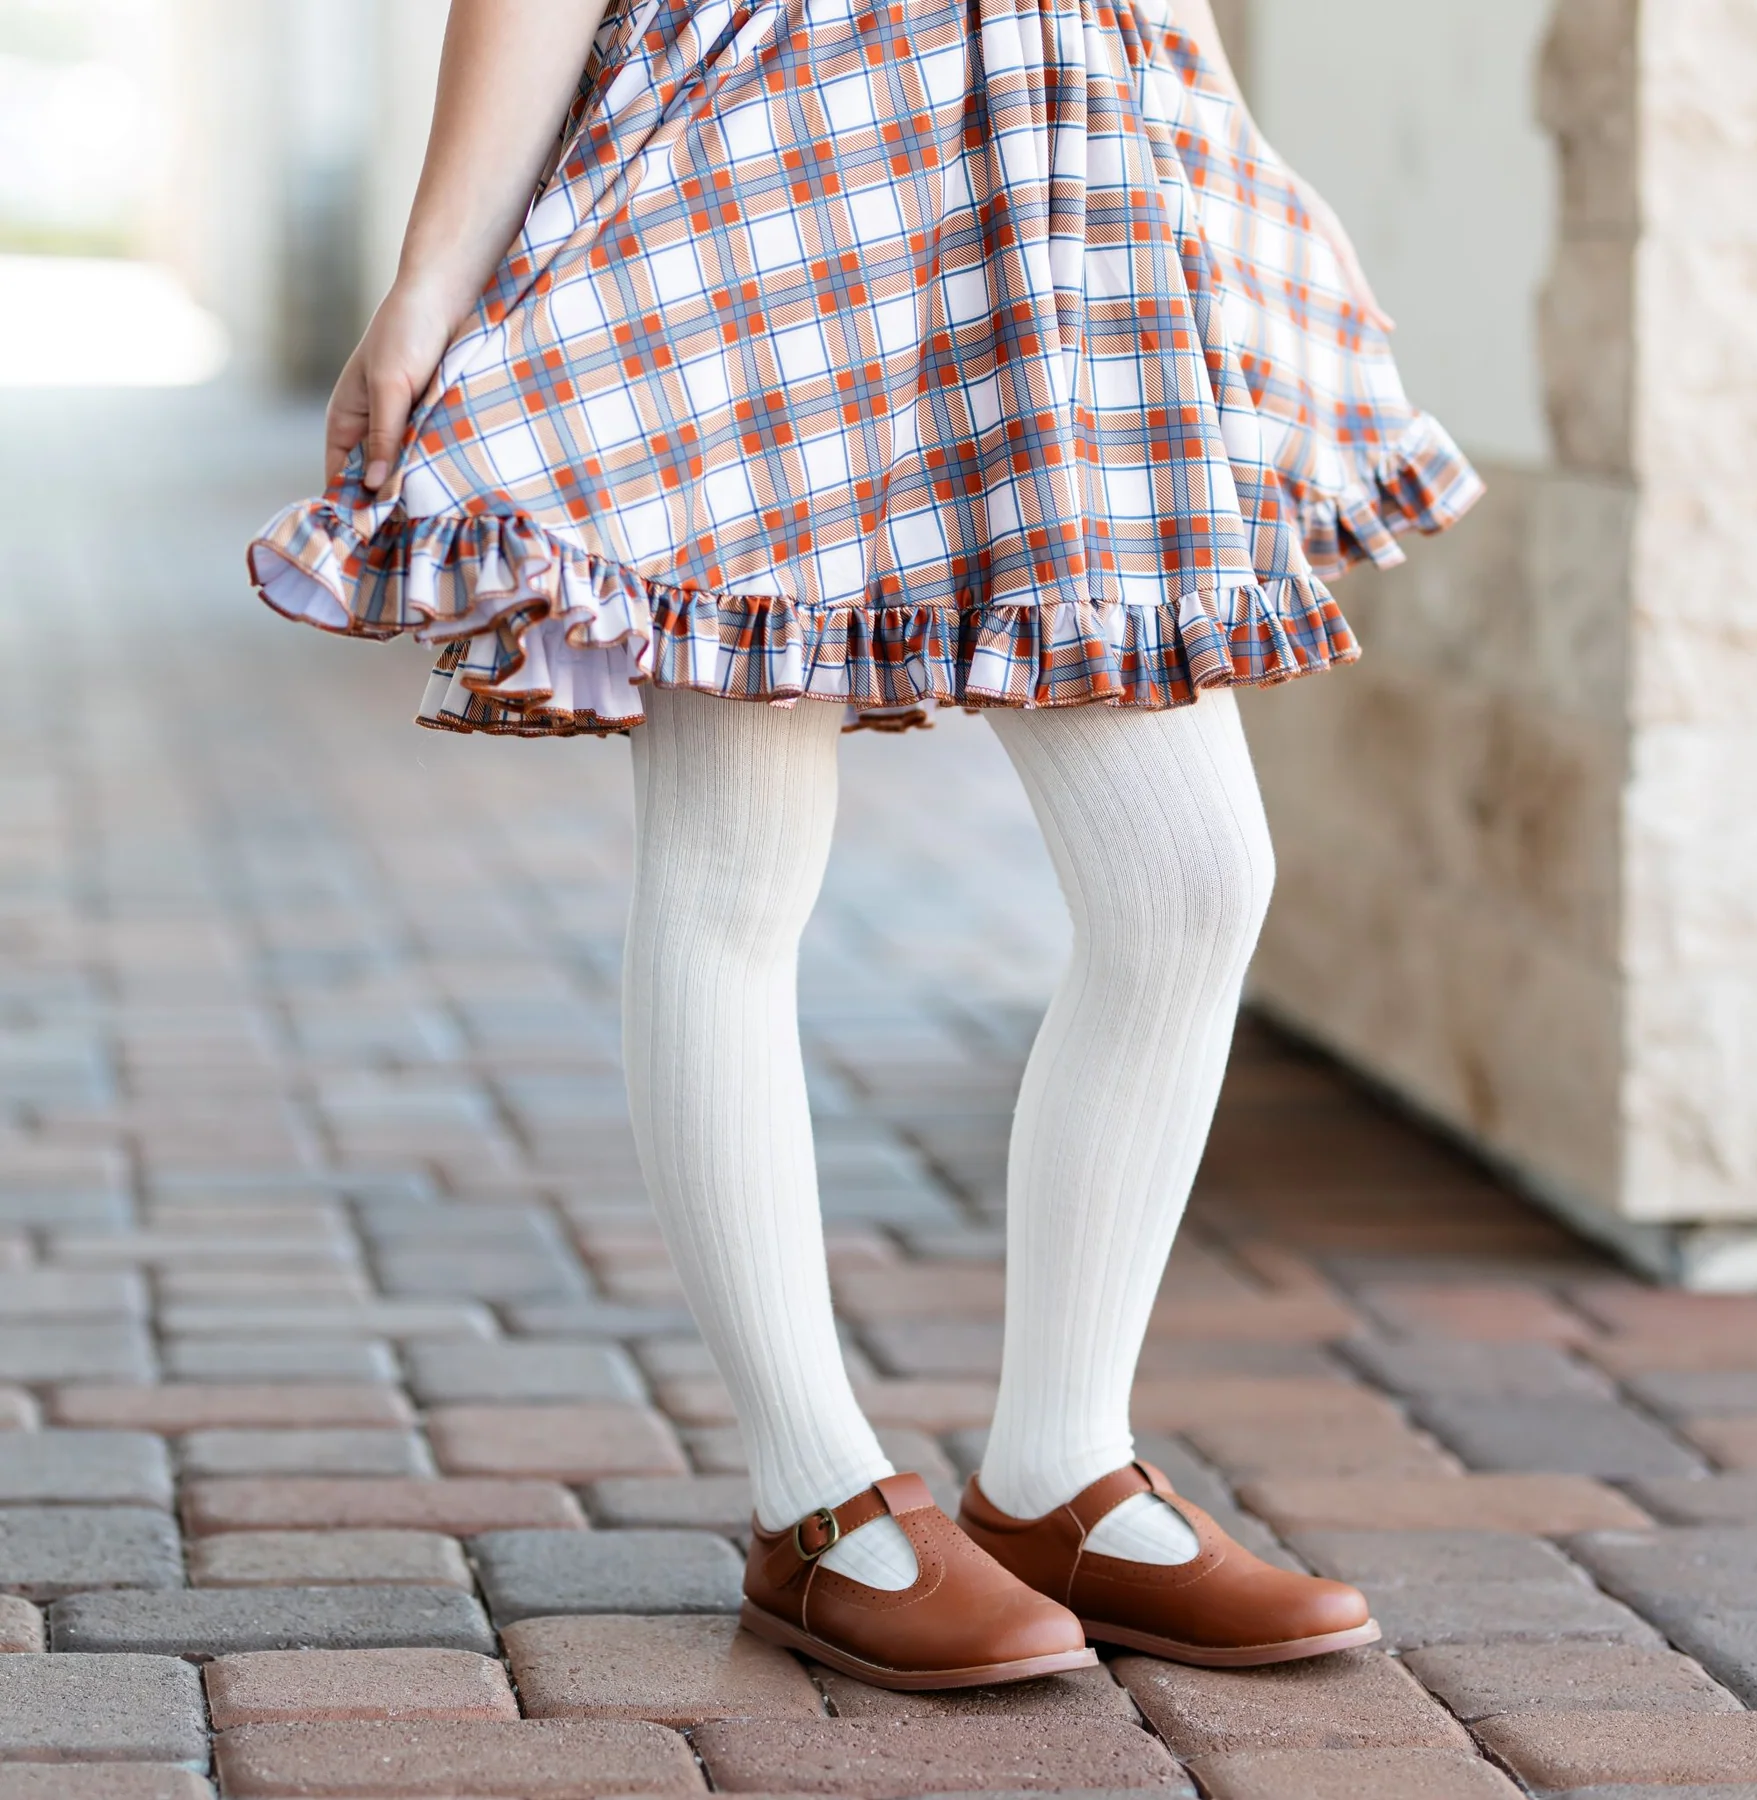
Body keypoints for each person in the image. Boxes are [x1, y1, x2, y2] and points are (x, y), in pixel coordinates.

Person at [250, 0, 1481, 1690]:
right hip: (770, 138)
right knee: (738, 862)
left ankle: (1060, 1470)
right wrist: (432, 274)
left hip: (1069, 150)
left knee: (1192, 881)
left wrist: (1233, 142)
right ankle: (810, 1493)